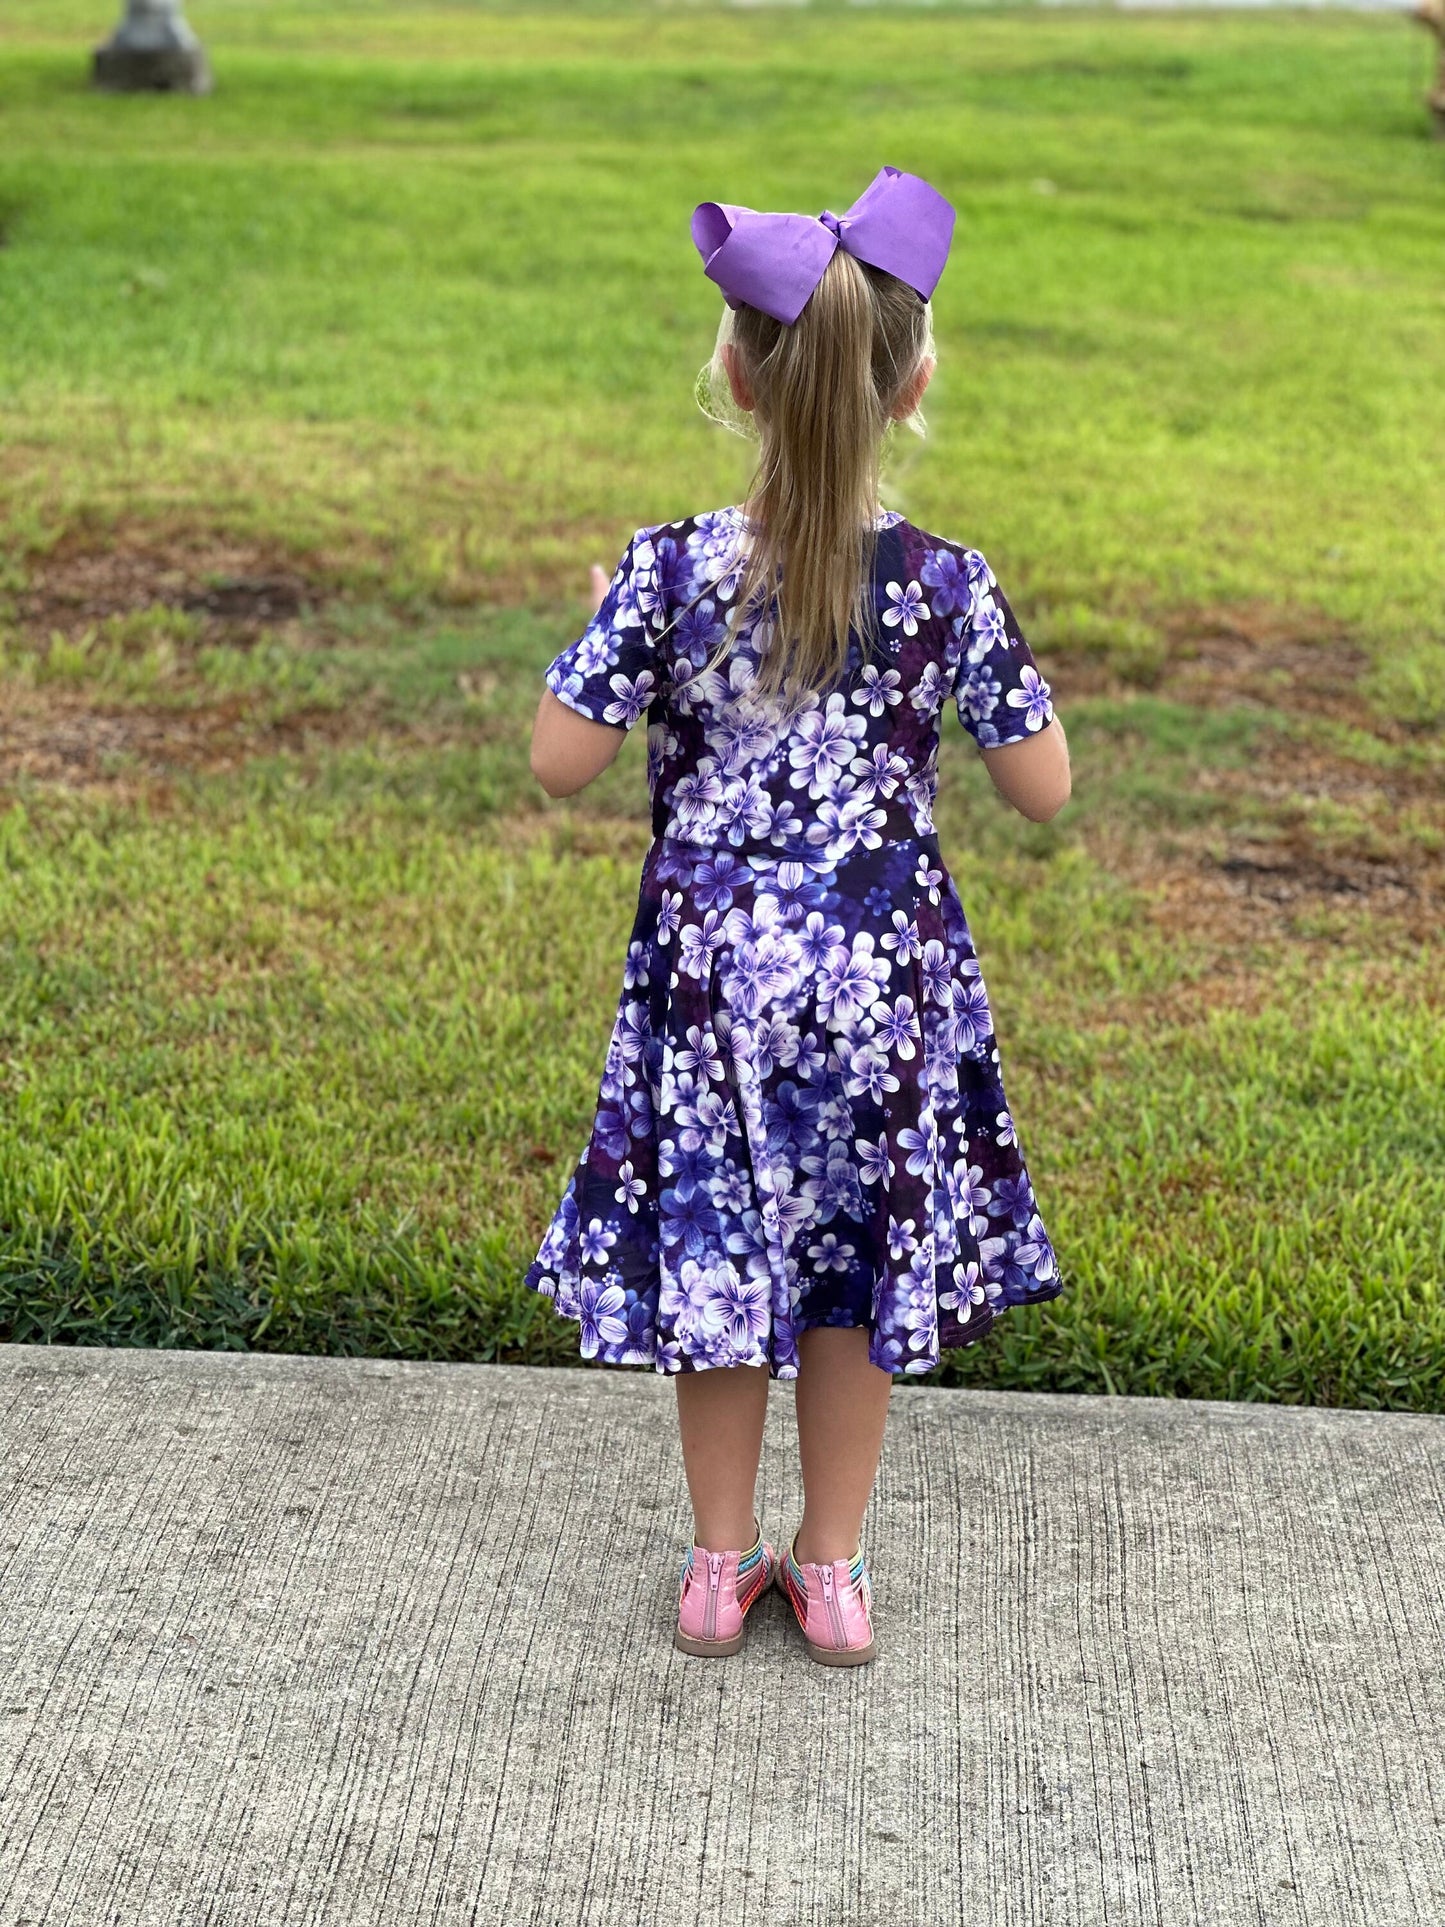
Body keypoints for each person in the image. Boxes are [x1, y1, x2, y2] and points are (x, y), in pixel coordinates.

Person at [524, 167, 1071, 1668]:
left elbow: (556, 762)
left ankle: (717, 1571)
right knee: (848, 1275)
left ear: (733, 373)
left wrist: (603, 628)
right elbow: (1042, 788)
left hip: (712, 993)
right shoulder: (949, 590)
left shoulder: (666, 573)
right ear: (914, 385)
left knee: (719, 1259)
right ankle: (829, 1574)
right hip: (879, 989)